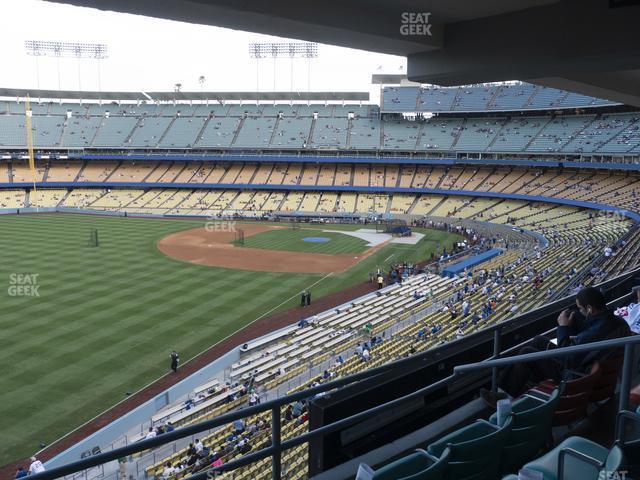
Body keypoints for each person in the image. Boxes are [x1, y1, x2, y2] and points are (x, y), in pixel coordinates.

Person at [482, 287, 631, 405]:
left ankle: (503, 399)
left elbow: (567, 357)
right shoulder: (620, 323)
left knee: (526, 352)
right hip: (595, 371)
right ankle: (523, 380)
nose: (580, 311)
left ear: (590, 309)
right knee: (539, 340)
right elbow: (587, 341)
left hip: (576, 376)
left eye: (580, 308)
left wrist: (563, 327)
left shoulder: (592, 334)